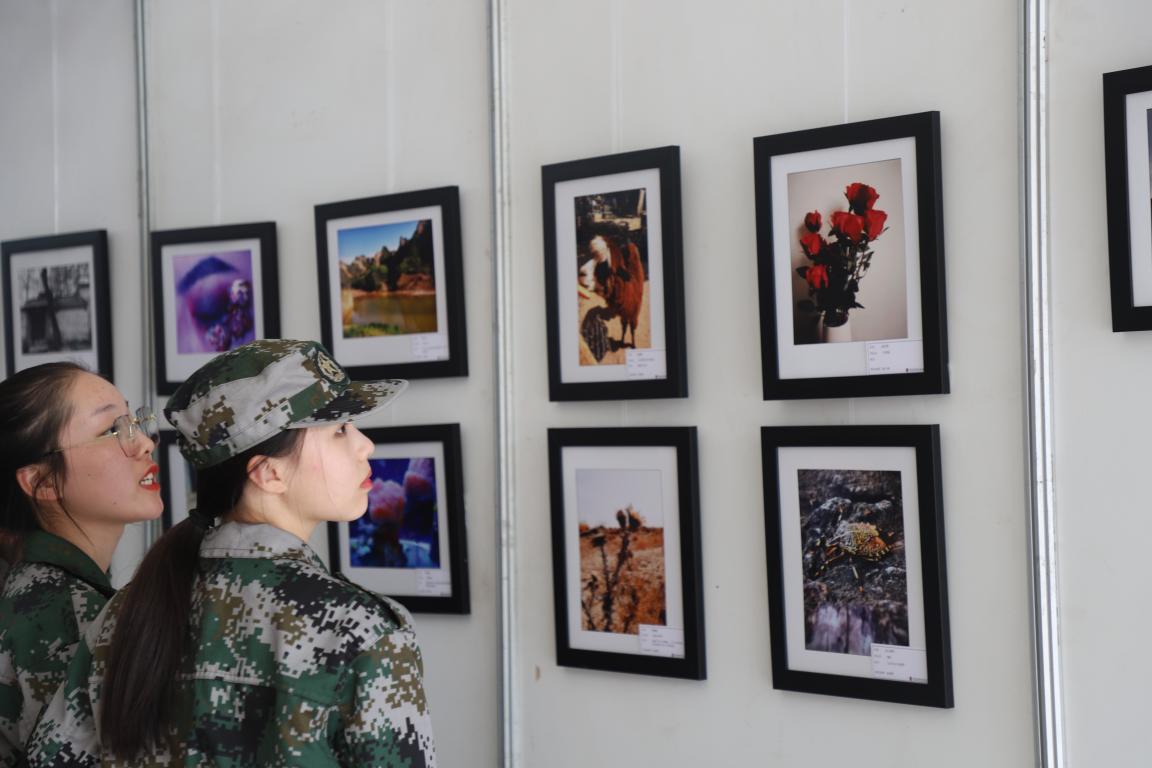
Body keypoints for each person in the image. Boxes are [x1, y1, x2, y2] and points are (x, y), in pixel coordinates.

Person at [27, 339, 436, 766]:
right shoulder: (363, 628)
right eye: (339, 430)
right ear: (269, 474)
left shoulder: (124, 614)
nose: (365, 445)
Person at [0, 362, 163, 765]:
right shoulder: (67, 616)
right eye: (112, 430)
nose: (144, 443)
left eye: (133, 421)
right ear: (42, 482)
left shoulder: (44, 588)